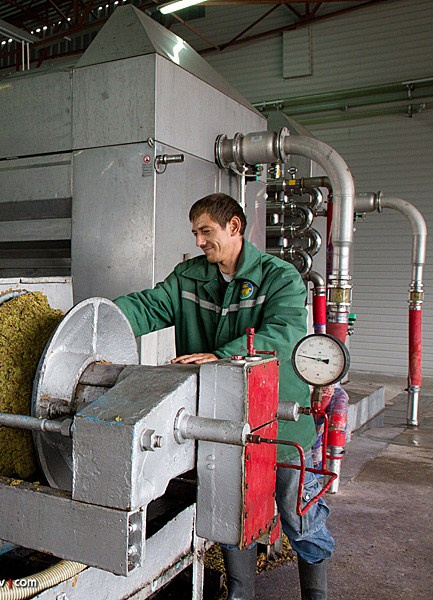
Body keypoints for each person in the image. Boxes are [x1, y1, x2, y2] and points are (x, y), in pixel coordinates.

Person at [113, 193, 333, 600]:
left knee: (299, 515)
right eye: (195, 232)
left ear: (234, 227)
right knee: (231, 513)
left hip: (281, 420)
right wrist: (96, 319)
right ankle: (240, 593)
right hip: (225, 422)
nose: (198, 240)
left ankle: (316, 595)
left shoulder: (279, 277)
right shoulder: (190, 276)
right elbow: (148, 306)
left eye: (205, 231)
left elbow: (284, 334)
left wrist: (222, 355)